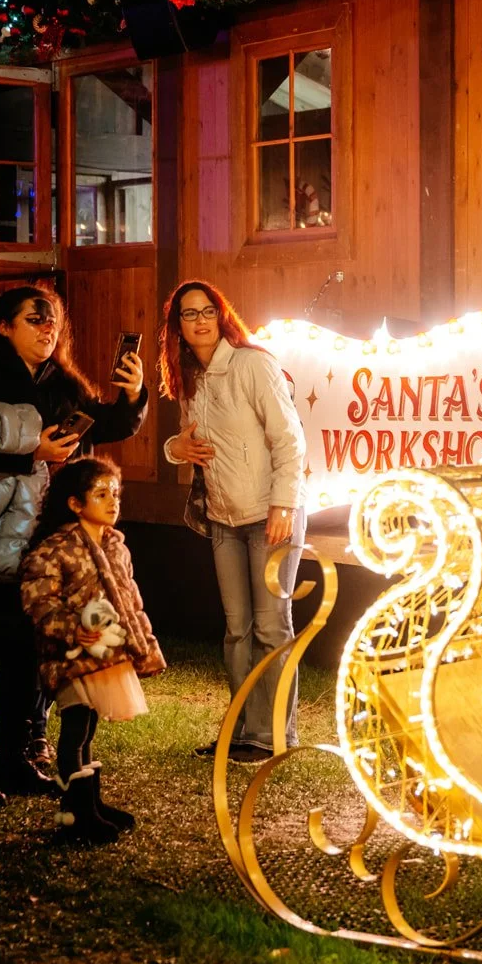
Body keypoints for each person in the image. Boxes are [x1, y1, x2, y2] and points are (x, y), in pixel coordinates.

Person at [0, 284, 148, 807]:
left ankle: (12, 760)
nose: (47, 329)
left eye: (52, 321)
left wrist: (134, 393)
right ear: (4, 327)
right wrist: (32, 451)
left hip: (40, 547)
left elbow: (112, 424)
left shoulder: (62, 383)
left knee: (25, 657)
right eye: (35, 320)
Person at [157, 280, 306, 763]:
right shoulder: (190, 378)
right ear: (176, 326)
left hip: (270, 515)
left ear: (221, 316)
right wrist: (172, 449)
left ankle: (272, 737)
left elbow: (289, 440)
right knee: (237, 629)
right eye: (188, 313)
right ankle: (242, 731)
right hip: (223, 518)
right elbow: (186, 443)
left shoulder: (252, 363)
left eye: (207, 311)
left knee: (270, 626)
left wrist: (283, 504)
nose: (199, 320)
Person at [20, 457, 166, 844]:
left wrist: (142, 644)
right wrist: (72, 629)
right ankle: (73, 814)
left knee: (89, 728)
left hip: (106, 656)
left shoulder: (116, 546)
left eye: (115, 494)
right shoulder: (56, 550)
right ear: (74, 503)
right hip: (70, 656)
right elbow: (39, 601)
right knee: (74, 727)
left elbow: (130, 601)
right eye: (100, 494)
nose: (112, 501)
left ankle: (89, 804)